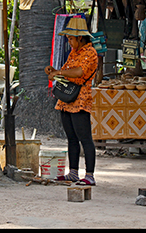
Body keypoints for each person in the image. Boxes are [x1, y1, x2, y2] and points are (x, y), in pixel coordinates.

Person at [45, 17, 98, 185]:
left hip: (80, 100)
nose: (69, 41)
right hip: (67, 99)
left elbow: (78, 73)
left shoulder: (90, 53)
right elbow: (67, 71)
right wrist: (53, 71)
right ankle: (73, 172)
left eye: (71, 38)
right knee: (71, 138)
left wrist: (59, 73)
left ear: (80, 37)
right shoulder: (74, 53)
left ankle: (89, 175)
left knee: (85, 138)